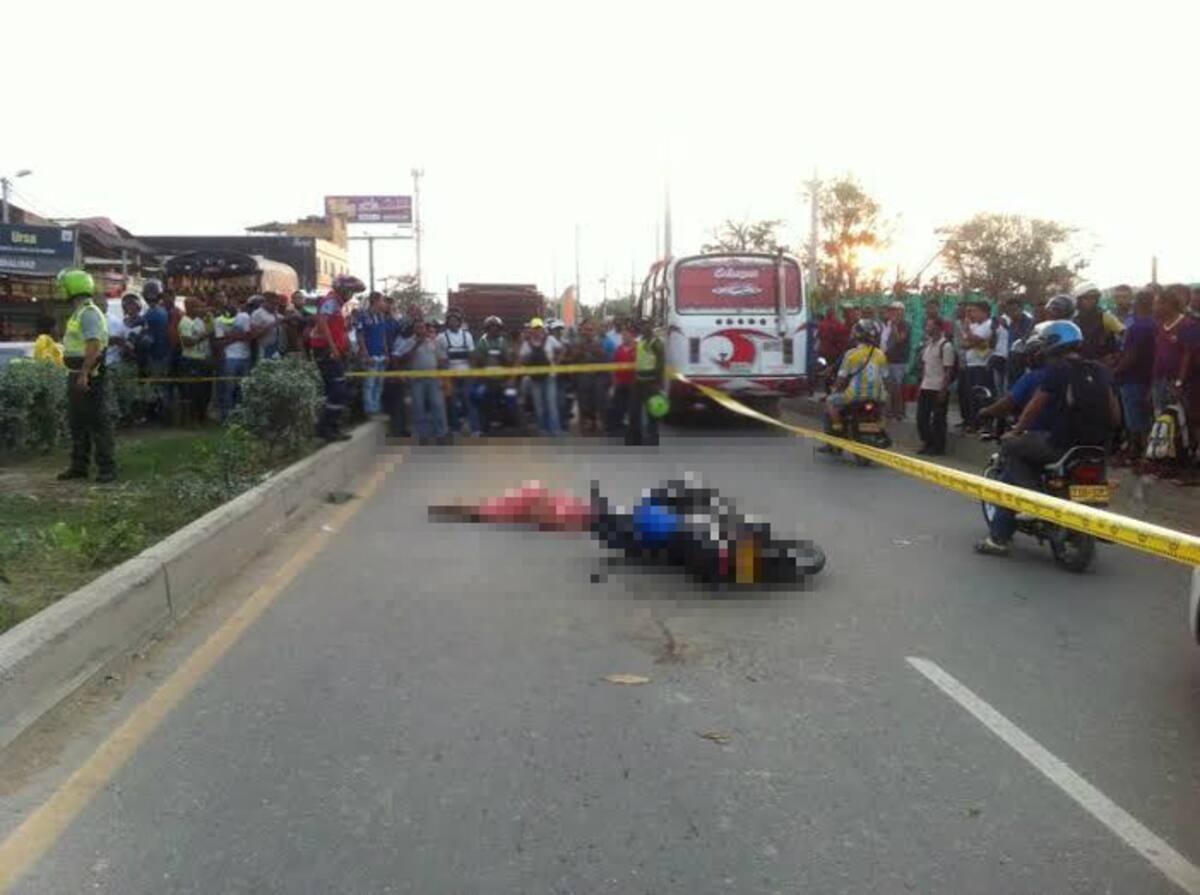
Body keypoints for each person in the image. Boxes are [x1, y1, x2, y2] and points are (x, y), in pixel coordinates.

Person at [975, 320, 1119, 556]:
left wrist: (1016, 431)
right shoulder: (1099, 370)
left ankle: (1033, 505)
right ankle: (1099, 513)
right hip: (1097, 445)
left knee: (1010, 448)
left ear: (1052, 345)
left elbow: (1033, 406)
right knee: (1095, 471)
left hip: (1060, 444)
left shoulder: (1057, 370)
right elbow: (1115, 415)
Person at [55, 269, 116, 482]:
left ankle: (106, 469)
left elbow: (93, 344)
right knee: (78, 422)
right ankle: (79, 466)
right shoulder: (79, 313)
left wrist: (84, 374)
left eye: (64, 287)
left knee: (98, 422)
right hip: (77, 374)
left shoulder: (88, 313)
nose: (61, 291)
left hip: (90, 375)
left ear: (73, 288)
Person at [309, 274, 362, 441]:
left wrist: (345, 347)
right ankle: (327, 428)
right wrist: (333, 348)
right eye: (350, 291)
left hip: (333, 351)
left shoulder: (337, 305)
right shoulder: (331, 301)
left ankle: (327, 427)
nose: (351, 295)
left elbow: (337, 330)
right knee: (338, 390)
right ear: (343, 289)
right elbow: (322, 323)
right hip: (326, 351)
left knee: (335, 391)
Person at [819, 319, 887, 447]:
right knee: (882, 409)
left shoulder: (851, 354)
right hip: (876, 396)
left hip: (854, 395)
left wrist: (835, 390)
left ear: (856, 335)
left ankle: (837, 429)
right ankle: (881, 428)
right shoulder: (880, 354)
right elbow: (885, 377)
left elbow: (841, 379)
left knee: (830, 401)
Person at [1111, 288, 1156, 464]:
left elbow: (1132, 355)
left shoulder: (1139, 326)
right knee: (1141, 417)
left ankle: (1140, 454)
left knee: (1136, 419)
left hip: (1133, 377)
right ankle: (1138, 452)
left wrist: (1116, 370)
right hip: (1146, 376)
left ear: (1138, 303)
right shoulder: (1152, 323)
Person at [915, 316, 955, 455]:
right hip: (926, 386)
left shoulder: (946, 346)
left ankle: (938, 447)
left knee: (938, 420)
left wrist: (943, 390)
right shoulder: (928, 345)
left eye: (930, 326)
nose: (927, 328)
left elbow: (948, 370)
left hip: (938, 387)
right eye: (927, 326)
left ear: (938, 327)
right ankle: (927, 442)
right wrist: (920, 385)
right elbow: (925, 367)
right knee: (921, 418)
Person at [406, 319, 450, 443]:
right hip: (417, 380)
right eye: (417, 327)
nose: (420, 330)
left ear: (425, 329)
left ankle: (441, 433)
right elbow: (404, 358)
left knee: (438, 405)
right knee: (418, 407)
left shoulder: (433, 342)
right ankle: (422, 435)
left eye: (422, 327)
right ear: (414, 329)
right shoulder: (409, 342)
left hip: (433, 378)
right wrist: (416, 345)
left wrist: (443, 377)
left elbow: (442, 359)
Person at [438, 308, 479, 435]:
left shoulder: (467, 336)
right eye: (450, 320)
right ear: (447, 322)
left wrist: (473, 374)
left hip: (466, 374)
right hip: (451, 375)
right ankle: (455, 428)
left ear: (459, 321)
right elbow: (442, 360)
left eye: (455, 320)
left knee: (469, 400)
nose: (453, 322)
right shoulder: (441, 337)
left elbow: (472, 356)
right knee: (453, 402)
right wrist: (445, 379)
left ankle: (474, 428)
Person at [518, 318, 563, 435]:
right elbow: (521, 359)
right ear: (531, 330)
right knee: (539, 406)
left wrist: (556, 363)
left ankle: (555, 430)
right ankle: (543, 430)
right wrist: (527, 365)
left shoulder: (550, 340)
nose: (537, 331)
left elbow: (561, 350)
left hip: (549, 377)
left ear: (543, 329)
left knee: (551, 405)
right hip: (535, 379)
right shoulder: (526, 344)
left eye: (539, 328)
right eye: (535, 328)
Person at [213, 293, 252, 423]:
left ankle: (241, 416)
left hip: (245, 356)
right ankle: (226, 416)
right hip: (229, 357)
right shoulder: (219, 321)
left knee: (243, 388)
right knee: (228, 387)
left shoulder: (244, 317)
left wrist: (229, 336)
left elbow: (249, 337)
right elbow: (219, 343)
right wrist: (236, 336)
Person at [471, 315, 513, 433]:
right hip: (486, 380)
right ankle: (484, 427)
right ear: (487, 328)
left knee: (511, 396)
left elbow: (509, 361)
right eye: (491, 327)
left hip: (502, 380)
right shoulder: (482, 342)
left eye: (497, 327)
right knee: (480, 399)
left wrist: (509, 379)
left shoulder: (503, 342)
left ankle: (507, 424)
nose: (494, 329)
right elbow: (476, 361)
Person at [626, 317, 665, 446]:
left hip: (651, 383)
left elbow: (661, 364)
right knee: (634, 411)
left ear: (651, 326)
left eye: (647, 324)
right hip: (638, 382)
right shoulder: (640, 341)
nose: (644, 327)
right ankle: (635, 439)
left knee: (652, 413)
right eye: (642, 325)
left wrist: (658, 383)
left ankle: (653, 440)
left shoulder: (656, 343)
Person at [138, 280, 173, 422]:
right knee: (159, 385)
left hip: (156, 355)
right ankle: (160, 414)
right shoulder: (162, 311)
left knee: (156, 386)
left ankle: (158, 415)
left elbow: (146, 337)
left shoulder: (152, 313)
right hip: (163, 354)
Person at [355, 292, 392, 416]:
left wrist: (386, 353)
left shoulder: (381, 316)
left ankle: (376, 407)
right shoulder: (363, 316)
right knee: (369, 384)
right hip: (370, 355)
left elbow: (383, 336)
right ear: (375, 301)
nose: (384, 303)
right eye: (382, 301)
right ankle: (369, 410)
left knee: (379, 383)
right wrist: (366, 355)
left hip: (381, 355)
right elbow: (360, 336)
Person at [177, 297, 212, 424]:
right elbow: (187, 342)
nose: (201, 309)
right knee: (192, 392)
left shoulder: (199, 321)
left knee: (204, 391)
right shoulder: (185, 322)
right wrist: (202, 336)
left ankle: (201, 416)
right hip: (190, 360)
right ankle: (191, 419)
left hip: (202, 359)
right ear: (190, 308)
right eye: (198, 307)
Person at [961, 300, 994, 433]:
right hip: (971, 364)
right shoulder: (974, 326)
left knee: (982, 396)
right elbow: (964, 343)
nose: (972, 314)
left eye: (975, 311)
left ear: (984, 312)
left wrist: (969, 334)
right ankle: (973, 423)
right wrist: (973, 340)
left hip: (982, 365)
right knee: (971, 396)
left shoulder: (989, 324)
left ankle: (984, 424)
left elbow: (978, 340)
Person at [572, 319, 608, 435]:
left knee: (597, 403)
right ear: (583, 331)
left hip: (596, 379)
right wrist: (580, 350)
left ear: (594, 331)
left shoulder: (598, 343)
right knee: (583, 404)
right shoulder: (578, 343)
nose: (588, 332)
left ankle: (596, 425)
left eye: (591, 330)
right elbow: (574, 359)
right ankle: (584, 427)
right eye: (586, 330)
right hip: (582, 379)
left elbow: (603, 359)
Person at [1073, 282, 1123, 362]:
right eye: (1086, 298)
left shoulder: (1105, 317)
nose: (1090, 301)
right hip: (1079, 363)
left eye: (1093, 298)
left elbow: (1126, 334)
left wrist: (1117, 353)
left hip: (1101, 363)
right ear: (1079, 300)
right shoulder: (1074, 319)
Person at [882, 301, 911, 420]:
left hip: (898, 361)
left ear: (902, 312)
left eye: (896, 310)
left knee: (897, 387)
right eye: (891, 310)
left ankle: (899, 412)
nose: (893, 313)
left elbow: (899, 339)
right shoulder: (887, 324)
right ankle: (891, 411)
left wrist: (894, 325)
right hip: (887, 359)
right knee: (889, 387)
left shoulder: (904, 325)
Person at [607, 324, 637, 435]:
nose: (624, 337)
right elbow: (613, 365)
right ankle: (617, 428)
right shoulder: (618, 349)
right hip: (620, 383)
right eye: (623, 335)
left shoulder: (638, 348)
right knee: (617, 406)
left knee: (632, 407)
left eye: (626, 335)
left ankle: (633, 428)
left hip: (633, 383)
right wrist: (613, 380)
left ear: (632, 336)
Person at [816, 307, 850, 395]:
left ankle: (827, 391)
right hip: (836, 353)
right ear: (834, 314)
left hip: (824, 353)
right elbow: (843, 341)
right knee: (836, 372)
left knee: (826, 371)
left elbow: (819, 337)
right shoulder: (839, 325)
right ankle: (835, 391)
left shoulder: (822, 324)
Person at [250, 291, 283, 362]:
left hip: (277, 348)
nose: (275, 306)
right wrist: (273, 324)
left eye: (277, 303)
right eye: (273, 303)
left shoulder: (276, 313)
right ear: (265, 302)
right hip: (263, 349)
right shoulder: (257, 314)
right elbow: (254, 335)